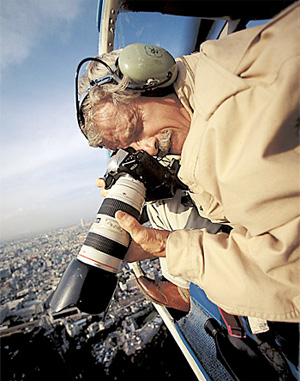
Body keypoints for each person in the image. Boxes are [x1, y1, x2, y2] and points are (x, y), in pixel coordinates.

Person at [79, 1, 299, 322]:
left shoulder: (234, 136)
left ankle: (188, 291)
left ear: (151, 78)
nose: (148, 149)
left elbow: (287, 277)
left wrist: (167, 246)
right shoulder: (214, 61)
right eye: (131, 146)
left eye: (137, 128)